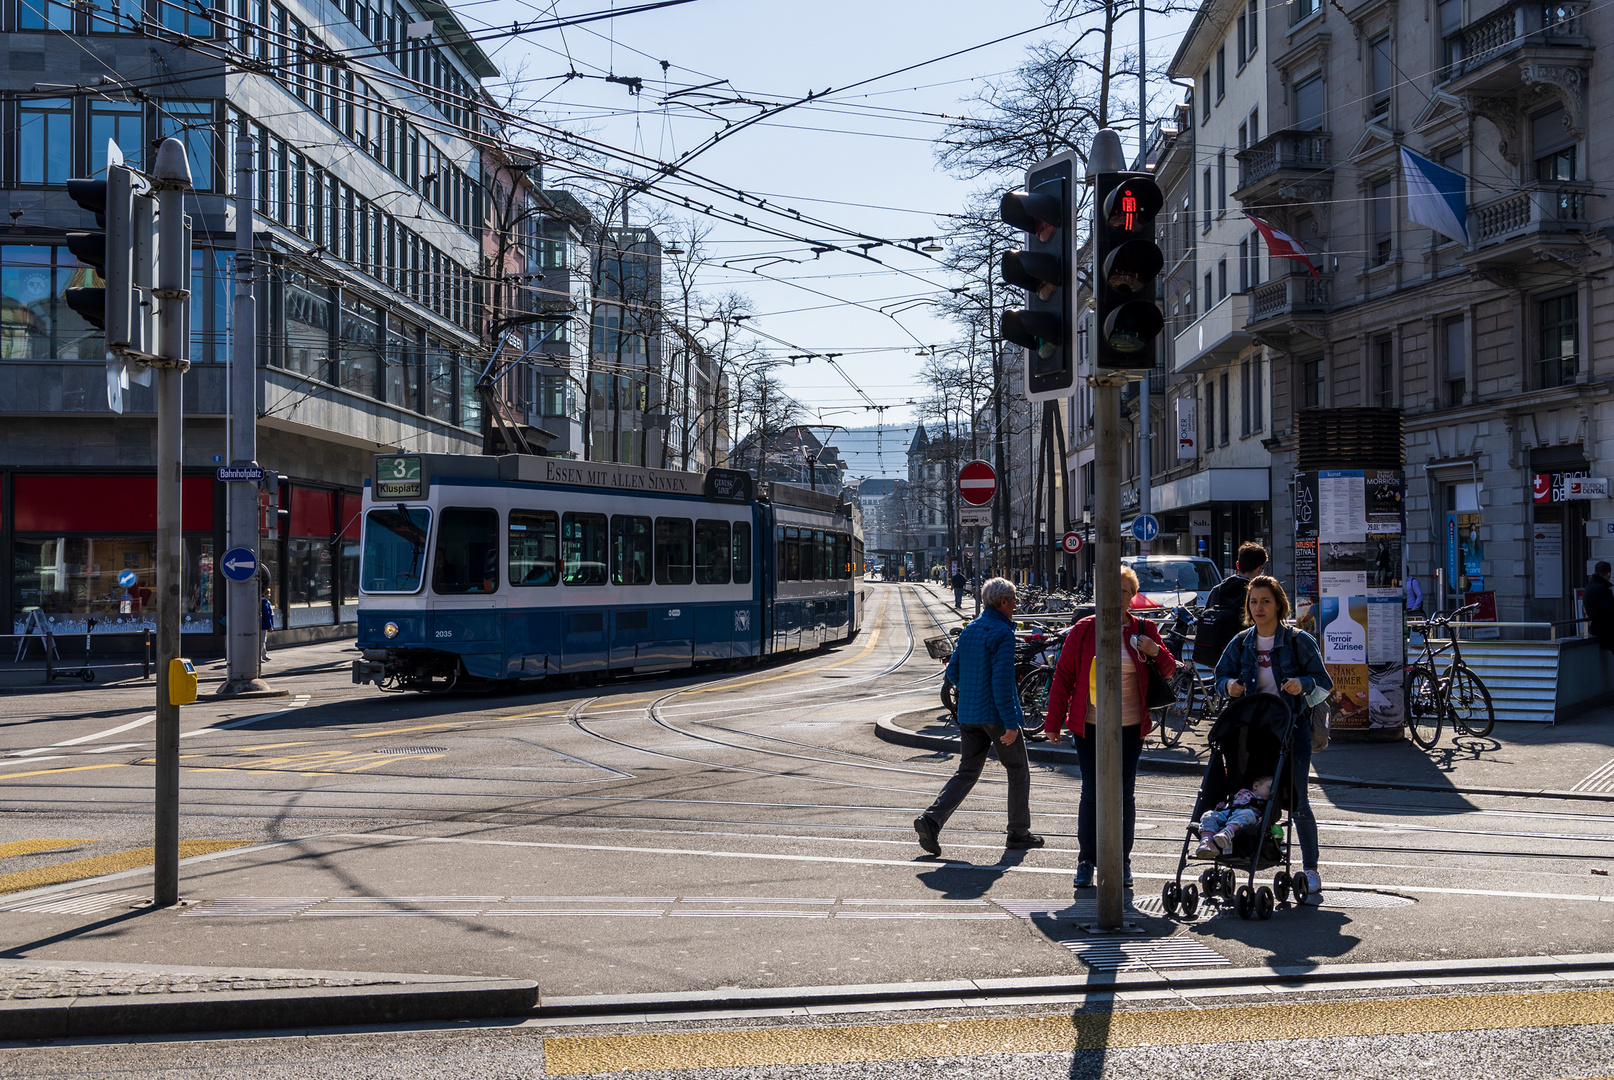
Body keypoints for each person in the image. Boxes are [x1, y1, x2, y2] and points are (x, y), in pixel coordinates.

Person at [1044, 565, 1177, 890]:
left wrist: (1153, 650)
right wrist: (1053, 721)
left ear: (1132, 597)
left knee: (1125, 794)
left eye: (1123, 591)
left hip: (1132, 726)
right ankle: (1087, 860)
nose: (1116, 597)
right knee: (1092, 792)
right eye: (1110, 590)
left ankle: (1122, 861)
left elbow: (1170, 670)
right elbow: (1063, 676)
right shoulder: (1083, 630)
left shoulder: (1145, 628)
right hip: (1089, 726)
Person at [1213, 575, 1333, 902]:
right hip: (1252, 733)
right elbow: (1219, 677)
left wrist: (1302, 683)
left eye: (1265, 601)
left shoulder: (1297, 640)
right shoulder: (1241, 642)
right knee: (1246, 795)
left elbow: (1324, 681)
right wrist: (1229, 687)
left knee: (1297, 801)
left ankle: (1310, 869)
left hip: (1291, 730)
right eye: (1253, 602)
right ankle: (1242, 851)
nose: (1259, 607)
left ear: (1278, 604)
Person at [914, 577, 1043, 855]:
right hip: (996, 716)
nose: (1016, 604)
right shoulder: (1003, 634)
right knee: (1018, 770)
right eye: (1014, 599)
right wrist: (1010, 723)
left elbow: (953, 672)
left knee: (967, 771)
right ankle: (1018, 832)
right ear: (1003, 601)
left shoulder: (971, 629)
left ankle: (931, 820)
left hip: (969, 714)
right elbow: (1002, 682)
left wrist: (971, 691)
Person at [1194, 542, 1266, 670]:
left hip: (1217, 655)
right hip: (1246, 656)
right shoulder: (1258, 594)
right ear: (1260, 569)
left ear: (1238, 565)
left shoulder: (1217, 590)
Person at [1193, 775, 1273, 859]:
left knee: (1248, 813)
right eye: (1269, 788)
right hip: (1227, 813)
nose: (1271, 792)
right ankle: (1207, 842)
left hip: (1245, 819)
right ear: (1256, 786)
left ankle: (1226, 833)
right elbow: (1231, 801)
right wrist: (1223, 805)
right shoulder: (1243, 792)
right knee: (1208, 815)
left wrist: (1263, 819)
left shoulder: (1266, 803)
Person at [1585, 561, 1614, 653]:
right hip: (1606, 631)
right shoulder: (1601, 589)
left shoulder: (1591, 586)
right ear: (1608, 573)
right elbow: (1611, 609)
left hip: (1597, 629)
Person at [260, 587, 275, 663]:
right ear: (264, 594)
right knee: (262, 641)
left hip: (262, 624)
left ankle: (264, 654)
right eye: (268, 593)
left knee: (263, 640)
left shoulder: (264, 602)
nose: (270, 595)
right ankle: (259, 656)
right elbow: (267, 615)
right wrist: (270, 626)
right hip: (263, 624)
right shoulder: (264, 603)